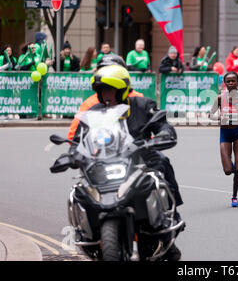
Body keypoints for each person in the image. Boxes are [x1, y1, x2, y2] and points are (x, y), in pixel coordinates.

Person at [68, 57, 183, 260]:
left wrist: (163, 135)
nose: (106, 95)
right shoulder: (93, 111)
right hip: (103, 161)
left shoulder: (141, 104)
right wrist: (73, 153)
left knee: (162, 163)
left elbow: (163, 125)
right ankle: (85, 229)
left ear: (122, 90)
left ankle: (170, 216)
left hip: (140, 158)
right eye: (103, 91)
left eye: (110, 90)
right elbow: (78, 137)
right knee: (79, 190)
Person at [209, 71, 238, 207]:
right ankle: (232, 165)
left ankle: (234, 196)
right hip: (225, 134)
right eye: (228, 81)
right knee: (228, 171)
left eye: (233, 81)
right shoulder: (220, 98)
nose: (231, 83)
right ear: (225, 83)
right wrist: (219, 118)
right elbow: (210, 115)